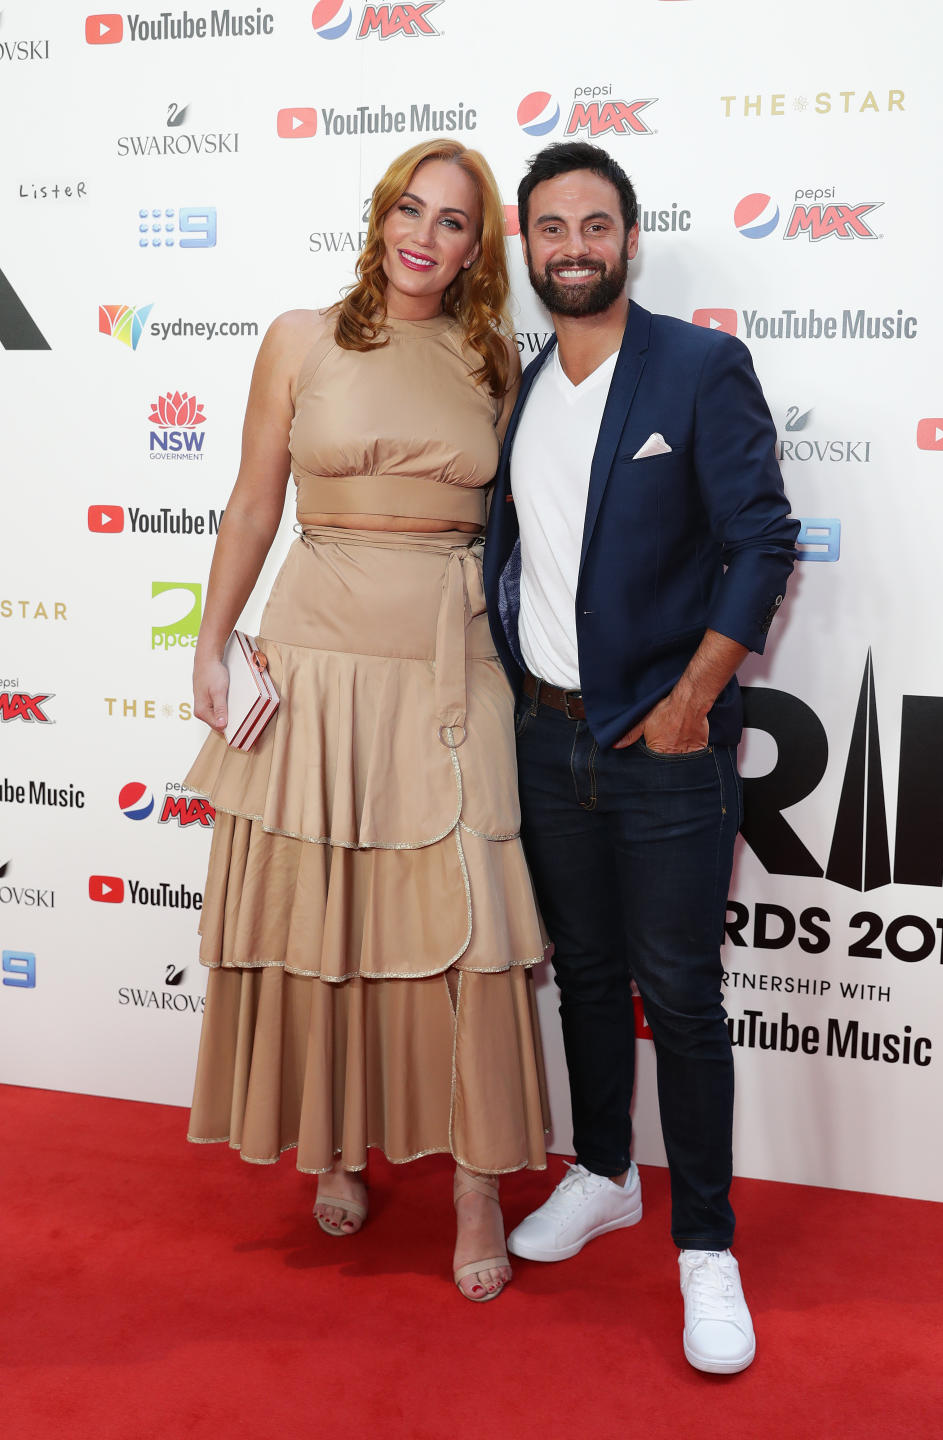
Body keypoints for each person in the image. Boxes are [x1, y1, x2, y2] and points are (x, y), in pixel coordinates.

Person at [184, 138, 550, 1304]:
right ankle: (338, 1147)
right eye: (412, 209)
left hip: (452, 659)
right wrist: (212, 641)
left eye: (454, 223)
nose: (425, 237)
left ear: (476, 250)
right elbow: (253, 500)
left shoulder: (493, 354)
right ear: (380, 214)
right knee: (330, 906)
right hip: (319, 654)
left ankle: (478, 1182)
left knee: (471, 924)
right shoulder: (299, 337)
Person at [483, 142, 798, 1369]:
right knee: (585, 972)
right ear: (526, 245)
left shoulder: (700, 366)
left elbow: (763, 544)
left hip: (665, 747)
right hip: (546, 735)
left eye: (594, 225)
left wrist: (690, 701)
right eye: (550, 227)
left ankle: (706, 1248)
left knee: (681, 997)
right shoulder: (522, 380)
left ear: (630, 237)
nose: (573, 247)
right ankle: (606, 1171)